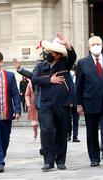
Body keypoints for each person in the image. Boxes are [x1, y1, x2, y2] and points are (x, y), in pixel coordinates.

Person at [32, 32, 77, 171]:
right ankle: (48, 161)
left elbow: (73, 56)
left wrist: (66, 44)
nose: (46, 54)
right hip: (46, 105)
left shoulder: (64, 64)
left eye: (49, 52)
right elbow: (34, 79)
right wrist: (49, 80)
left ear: (57, 54)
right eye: (46, 51)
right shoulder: (41, 66)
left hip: (62, 104)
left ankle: (61, 160)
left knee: (61, 132)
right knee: (47, 131)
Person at [76, 36, 103, 167]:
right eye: (93, 44)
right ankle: (94, 158)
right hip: (89, 103)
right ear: (89, 47)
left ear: (102, 45)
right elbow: (78, 85)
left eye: (98, 43)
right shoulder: (82, 62)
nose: (96, 46)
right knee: (92, 131)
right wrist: (79, 104)